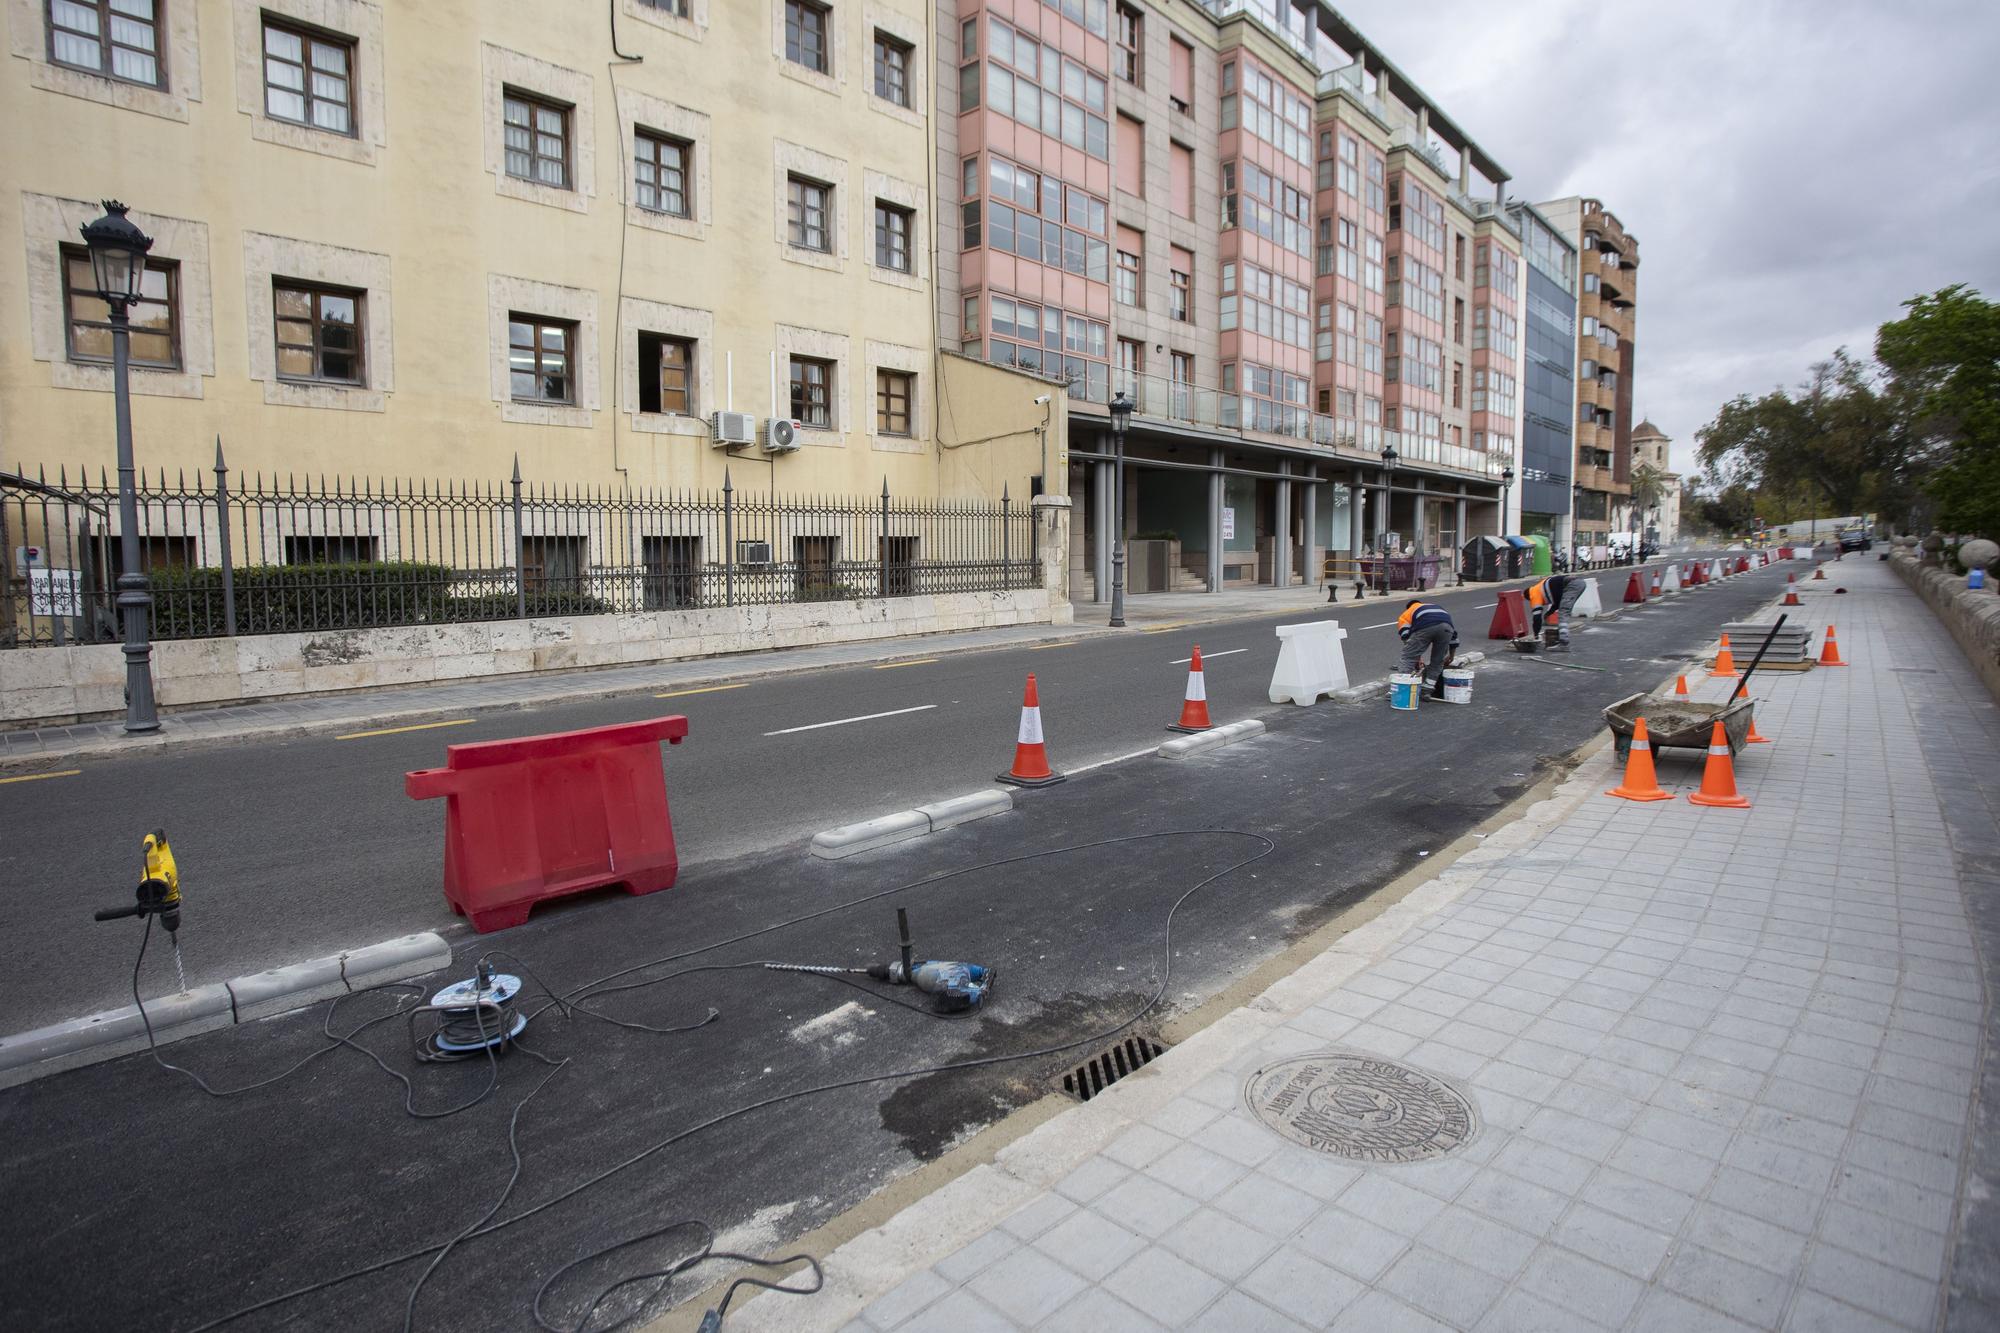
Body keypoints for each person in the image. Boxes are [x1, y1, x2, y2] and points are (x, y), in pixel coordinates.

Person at [1396, 599, 1458, 699]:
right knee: (1437, 662)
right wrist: (1451, 656)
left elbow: (1406, 637)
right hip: (1447, 628)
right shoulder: (1436, 608)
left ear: (1409, 607)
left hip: (1426, 627)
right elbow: (1454, 637)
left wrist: (1416, 658)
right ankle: (1426, 691)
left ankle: (1401, 689)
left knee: (1407, 658)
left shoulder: (1407, 613)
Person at [1526, 572, 1585, 649]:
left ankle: (1563, 644)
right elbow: (1558, 601)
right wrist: (1549, 612)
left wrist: (1536, 635)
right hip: (1579, 583)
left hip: (1572, 584)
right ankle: (1562, 637)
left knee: (1563, 612)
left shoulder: (1533, 594)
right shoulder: (1540, 587)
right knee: (1564, 609)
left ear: (1529, 597)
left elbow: (1537, 618)